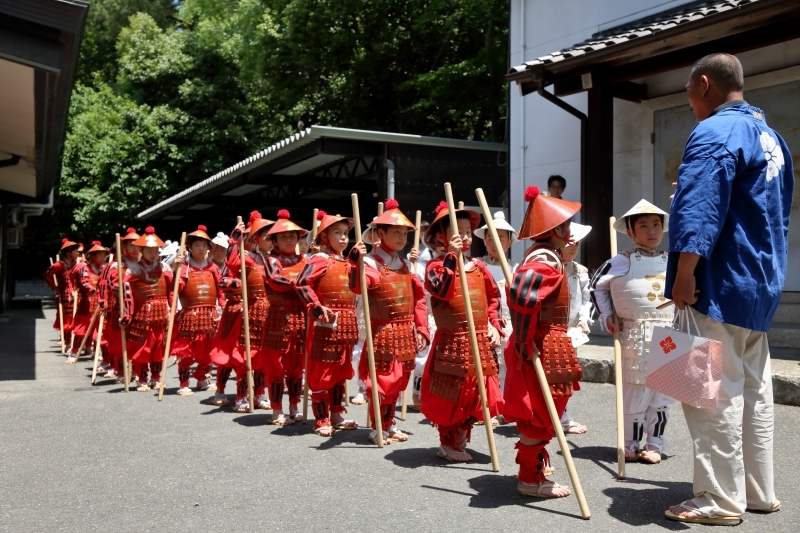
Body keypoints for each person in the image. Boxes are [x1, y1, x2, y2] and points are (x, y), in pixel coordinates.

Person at [664, 53, 793, 525]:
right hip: (759, 283)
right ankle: (757, 491)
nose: (691, 105)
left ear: (704, 85)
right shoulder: (773, 138)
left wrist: (683, 273)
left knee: (709, 394)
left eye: (689, 95)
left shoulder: (714, 131)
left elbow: (701, 206)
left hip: (714, 282)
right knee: (754, 393)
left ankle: (719, 500)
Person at [504, 185, 582, 498]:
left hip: (547, 344)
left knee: (545, 412)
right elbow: (522, 294)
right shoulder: (545, 261)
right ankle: (529, 479)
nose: (570, 228)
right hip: (540, 345)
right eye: (566, 223)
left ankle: (533, 472)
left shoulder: (550, 257)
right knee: (539, 414)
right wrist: (524, 340)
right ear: (556, 229)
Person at [590, 202, 674, 462]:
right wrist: (607, 315)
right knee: (635, 394)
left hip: (668, 333)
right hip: (634, 335)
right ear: (630, 231)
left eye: (656, 225)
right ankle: (630, 444)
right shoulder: (620, 261)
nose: (652, 231)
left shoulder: (671, 260)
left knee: (662, 395)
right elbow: (596, 287)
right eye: (644, 225)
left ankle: (655, 443)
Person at [422, 202, 503, 461]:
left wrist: (494, 326)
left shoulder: (479, 268)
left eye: (469, 231)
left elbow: (493, 297)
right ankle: (447, 442)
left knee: (476, 392)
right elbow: (441, 291)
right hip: (452, 341)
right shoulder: (435, 266)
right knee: (451, 393)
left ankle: (461, 437)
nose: (466, 236)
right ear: (440, 237)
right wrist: (451, 258)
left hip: (479, 340)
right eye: (460, 231)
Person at [349, 199, 429, 445]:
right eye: (397, 232)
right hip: (382, 334)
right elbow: (357, 286)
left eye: (405, 233)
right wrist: (356, 263)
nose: (402, 238)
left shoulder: (406, 265)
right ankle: (377, 428)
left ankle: (388, 423)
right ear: (380, 233)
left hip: (405, 334)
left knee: (398, 383)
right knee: (381, 382)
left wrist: (422, 329)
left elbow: (419, 300)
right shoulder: (371, 264)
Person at [295, 211, 360, 437]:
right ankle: (321, 418)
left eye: (345, 233)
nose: (343, 238)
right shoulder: (319, 259)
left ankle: (336, 413)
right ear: (325, 236)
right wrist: (316, 307)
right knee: (323, 370)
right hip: (325, 322)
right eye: (337, 233)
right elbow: (302, 284)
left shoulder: (348, 261)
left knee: (340, 370)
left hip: (347, 322)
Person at [263, 210, 309, 425]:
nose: (289, 240)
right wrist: (299, 284)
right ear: (275, 241)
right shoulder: (271, 260)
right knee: (276, 367)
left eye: (292, 236)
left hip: (301, 319)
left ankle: (294, 406)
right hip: (278, 320)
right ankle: (276, 410)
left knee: (297, 366)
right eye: (284, 236)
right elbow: (274, 280)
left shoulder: (306, 260)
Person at [171, 225, 223, 396]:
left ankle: (202, 379)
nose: (201, 249)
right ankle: (184, 383)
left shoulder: (213, 268)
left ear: (209, 247)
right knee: (186, 351)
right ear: (189, 248)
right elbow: (176, 289)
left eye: (204, 245)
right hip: (189, 315)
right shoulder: (184, 268)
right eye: (197, 245)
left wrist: (223, 305)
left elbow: (220, 289)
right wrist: (176, 271)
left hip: (209, 315)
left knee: (207, 349)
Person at [474, 210, 519, 402]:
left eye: (500, 238)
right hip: (482, 323)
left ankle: (502, 404)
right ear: (484, 241)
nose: (494, 243)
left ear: (509, 242)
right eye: (490, 238)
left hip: (508, 324)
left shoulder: (516, 269)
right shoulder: (475, 266)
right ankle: (484, 404)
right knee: (483, 364)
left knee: (505, 365)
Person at [121, 227, 170, 392]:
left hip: (162, 313)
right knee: (144, 348)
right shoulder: (135, 269)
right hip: (144, 314)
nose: (153, 253)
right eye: (149, 250)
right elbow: (125, 291)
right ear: (141, 250)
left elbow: (172, 290)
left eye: (155, 250)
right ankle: (141, 378)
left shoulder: (165, 268)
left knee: (159, 347)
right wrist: (126, 313)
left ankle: (156, 378)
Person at [558, 222, 593, 435]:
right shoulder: (549, 267)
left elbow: (586, 300)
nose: (573, 247)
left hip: (572, 332)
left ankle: (563, 414)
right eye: (569, 242)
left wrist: (583, 319)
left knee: (568, 374)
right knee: (552, 374)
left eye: (577, 243)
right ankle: (555, 416)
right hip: (551, 331)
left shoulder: (580, 271)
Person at [97, 227, 141, 382]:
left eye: (138, 245)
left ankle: (137, 371)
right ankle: (122, 372)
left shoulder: (145, 264)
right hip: (122, 307)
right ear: (124, 248)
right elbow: (114, 286)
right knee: (121, 341)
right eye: (131, 246)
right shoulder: (117, 266)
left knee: (138, 341)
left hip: (141, 309)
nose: (135, 249)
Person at [66, 241, 109, 363]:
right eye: (99, 255)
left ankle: (96, 352)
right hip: (86, 302)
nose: (102, 258)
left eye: (104, 255)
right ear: (92, 256)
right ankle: (74, 352)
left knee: (99, 329)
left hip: (100, 302)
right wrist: (71, 290)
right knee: (81, 330)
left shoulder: (105, 268)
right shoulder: (83, 267)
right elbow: (83, 282)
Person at [44, 238, 80, 349]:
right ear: (69, 252)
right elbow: (47, 274)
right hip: (66, 295)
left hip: (78, 295)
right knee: (67, 318)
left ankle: (77, 343)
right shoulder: (60, 265)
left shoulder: (78, 264)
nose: (78, 253)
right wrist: (55, 287)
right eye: (75, 250)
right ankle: (68, 341)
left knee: (77, 318)